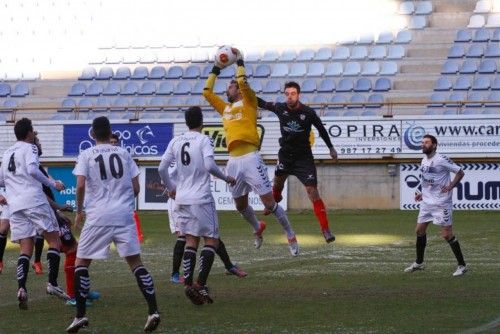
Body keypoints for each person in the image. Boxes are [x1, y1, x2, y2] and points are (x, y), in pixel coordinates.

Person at [66, 116, 160, 333]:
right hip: (123, 215)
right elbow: (136, 188)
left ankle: (80, 316)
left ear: (92, 134)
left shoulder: (86, 154)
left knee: (81, 263)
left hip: (98, 216)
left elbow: (80, 185)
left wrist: (79, 211)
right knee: (136, 263)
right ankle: (153, 311)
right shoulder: (124, 153)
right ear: (110, 133)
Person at [202, 49, 299, 256]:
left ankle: (290, 234)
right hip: (233, 161)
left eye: (230, 86)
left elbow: (244, 83)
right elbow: (206, 93)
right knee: (240, 205)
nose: (227, 89)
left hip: (251, 158)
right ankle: (257, 227)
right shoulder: (225, 108)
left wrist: (240, 62)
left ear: (237, 89)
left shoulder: (249, 101)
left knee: (269, 203)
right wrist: (216, 69)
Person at [158, 106, 236, 305]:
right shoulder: (203, 140)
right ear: (201, 122)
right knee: (212, 240)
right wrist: (226, 178)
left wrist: (171, 188)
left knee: (191, 241)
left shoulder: (176, 141)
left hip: (181, 199)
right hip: (201, 198)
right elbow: (209, 166)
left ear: (186, 122)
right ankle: (200, 286)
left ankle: (188, 284)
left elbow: (161, 168)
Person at [0, 118, 68, 310]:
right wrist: (52, 183)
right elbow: (31, 169)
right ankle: (52, 284)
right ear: (28, 132)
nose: (34, 133)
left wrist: (15, 183)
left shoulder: (7, 152)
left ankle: (22, 288)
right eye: (33, 130)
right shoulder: (30, 148)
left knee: (25, 248)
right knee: (54, 240)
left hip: (15, 205)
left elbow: (2, 180)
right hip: (33, 200)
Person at [257, 81, 337, 243]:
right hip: (285, 156)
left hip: (303, 159)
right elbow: (262, 103)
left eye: (293, 94)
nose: (289, 97)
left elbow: (321, 129)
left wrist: (331, 148)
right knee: (277, 185)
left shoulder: (308, 113)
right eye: (287, 94)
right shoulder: (280, 108)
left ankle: (325, 229)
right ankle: (273, 201)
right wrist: (245, 92)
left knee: (312, 192)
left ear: (298, 95)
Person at [164, 154, 247, 284]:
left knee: (211, 236)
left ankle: (229, 266)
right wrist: (171, 189)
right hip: (180, 199)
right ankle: (176, 275)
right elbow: (165, 172)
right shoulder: (179, 155)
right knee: (184, 237)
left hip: (192, 198)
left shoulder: (192, 153)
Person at [404, 134, 467, 277]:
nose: (423, 144)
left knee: (446, 234)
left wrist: (450, 186)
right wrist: (421, 192)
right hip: (426, 202)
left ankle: (462, 266)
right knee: (419, 231)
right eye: (422, 142)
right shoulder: (424, 160)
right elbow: (426, 179)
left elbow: (460, 172)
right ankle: (419, 263)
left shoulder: (441, 159)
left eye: (426, 142)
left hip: (441, 203)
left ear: (434, 145)